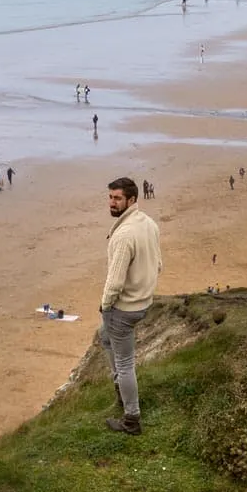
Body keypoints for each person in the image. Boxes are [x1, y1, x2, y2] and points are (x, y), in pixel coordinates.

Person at [100, 176, 162, 436]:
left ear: (131, 200)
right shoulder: (148, 223)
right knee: (104, 338)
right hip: (143, 301)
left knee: (125, 364)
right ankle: (120, 389)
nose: (112, 203)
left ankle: (131, 419)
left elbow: (114, 282)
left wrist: (105, 306)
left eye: (117, 198)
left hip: (124, 308)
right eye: (110, 197)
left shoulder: (124, 235)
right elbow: (159, 264)